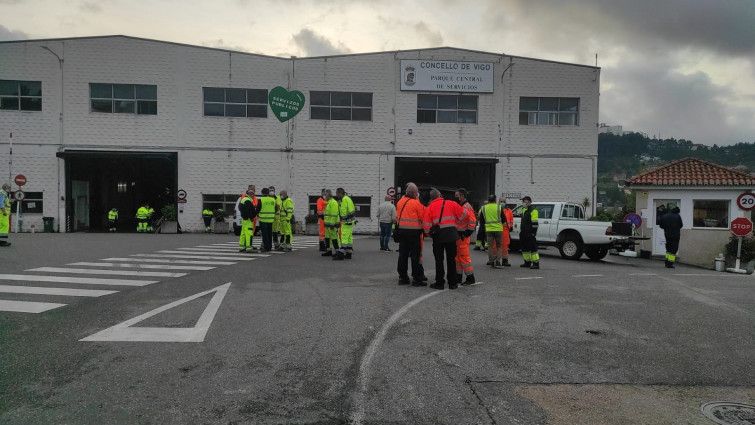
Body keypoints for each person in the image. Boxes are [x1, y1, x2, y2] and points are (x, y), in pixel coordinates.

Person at [423, 188, 467, 290]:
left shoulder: (429, 207)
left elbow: (426, 226)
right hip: (451, 235)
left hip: (438, 236)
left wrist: (430, 234)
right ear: (440, 195)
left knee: (439, 260)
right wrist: (457, 222)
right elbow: (465, 215)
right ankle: (452, 283)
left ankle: (439, 283)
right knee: (451, 259)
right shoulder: (451, 203)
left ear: (431, 198)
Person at [396, 183, 426, 286]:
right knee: (415, 256)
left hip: (402, 232)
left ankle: (403, 277)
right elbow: (423, 218)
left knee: (402, 255)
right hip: (414, 233)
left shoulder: (400, 202)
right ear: (414, 193)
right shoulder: (416, 203)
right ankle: (417, 278)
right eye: (417, 192)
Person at [454, 189, 477, 285]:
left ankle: (470, 277)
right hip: (459, 236)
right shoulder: (462, 206)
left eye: (457, 196)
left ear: (462, 196)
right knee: (458, 257)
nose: (456, 198)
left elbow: (472, 221)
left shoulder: (466, 207)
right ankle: (458, 277)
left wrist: (467, 233)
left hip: (463, 236)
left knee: (463, 257)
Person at [483, 194, 504, 268]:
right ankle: (498, 262)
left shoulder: (484, 208)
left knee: (490, 246)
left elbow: (482, 221)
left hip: (488, 229)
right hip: (498, 229)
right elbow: (504, 220)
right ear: (495, 199)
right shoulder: (499, 207)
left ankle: (491, 260)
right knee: (499, 246)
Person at [520, 196, 540, 269]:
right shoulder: (524, 209)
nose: (523, 203)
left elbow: (535, 223)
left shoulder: (533, 210)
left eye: (524, 201)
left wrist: (533, 233)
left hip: (529, 233)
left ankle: (536, 263)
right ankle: (527, 262)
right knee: (525, 248)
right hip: (523, 232)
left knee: (533, 248)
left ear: (528, 201)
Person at [322, 189, 343, 259]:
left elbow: (334, 214)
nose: (324, 196)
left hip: (332, 224)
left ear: (329, 195)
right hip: (328, 224)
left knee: (334, 238)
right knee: (327, 238)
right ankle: (329, 250)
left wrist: (331, 224)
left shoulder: (333, 202)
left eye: (325, 195)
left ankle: (337, 251)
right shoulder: (328, 202)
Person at [336, 187, 356, 259]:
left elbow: (343, 211)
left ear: (340, 193)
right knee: (349, 238)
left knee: (344, 237)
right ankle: (349, 253)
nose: (337, 196)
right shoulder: (348, 199)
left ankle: (340, 254)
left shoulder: (344, 200)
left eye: (337, 194)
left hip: (346, 222)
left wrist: (340, 219)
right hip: (351, 221)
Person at [238, 185, 258, 252]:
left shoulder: (243, 199)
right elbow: (249, 211)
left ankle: (242, 247)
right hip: (248, 220)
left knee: (243, 233)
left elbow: (241, 208)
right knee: (249, 233)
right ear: (251, 194)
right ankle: (249, 248)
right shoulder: (248, 201)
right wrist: (251, 217)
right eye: (253, 194)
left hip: (244, 219)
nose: (254, 195)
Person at [499, 196, 514, 267]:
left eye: (503, 202)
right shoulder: (497, 210)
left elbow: (511, 220)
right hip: (497, 230)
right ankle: (493, 259)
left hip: (505, 231)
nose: (502, 203)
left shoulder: (509, 211)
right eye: (501, 201)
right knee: (495, 245)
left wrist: (511, 227)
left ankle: (505, 260)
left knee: (505, 246)